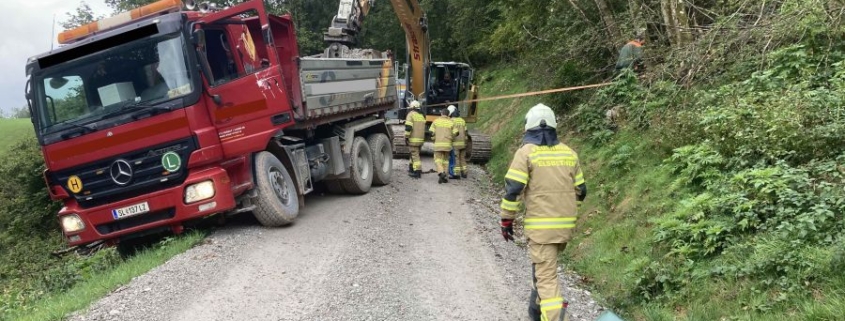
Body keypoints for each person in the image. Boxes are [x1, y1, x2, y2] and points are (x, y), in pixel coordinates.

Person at [499, 103, 587, 321]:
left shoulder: (526, 153)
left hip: (541, 229)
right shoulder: (569, 153)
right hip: (564, 229)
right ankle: (535, 312)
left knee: (547, 277)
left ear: (528, 127)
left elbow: (513, 190)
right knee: (543, 268)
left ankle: (554, 316)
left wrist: (506, 221)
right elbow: (581, 191)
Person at [429, 108, 457, 184]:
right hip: (448, 145)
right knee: (446, 161)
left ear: (441, 113)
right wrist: (451, 138)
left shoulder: (436, 121)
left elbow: (431, 132)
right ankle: (445, 177)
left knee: (437, 160)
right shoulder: (451, 122)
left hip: (438, 144)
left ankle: (441, 173)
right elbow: (456, 133)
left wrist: (434, 138)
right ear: (448, 114)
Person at [404, 100, 426, 178]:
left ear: (412, 107)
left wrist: (406, 137)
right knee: (414, 154)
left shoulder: (411, 114)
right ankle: (411, 168)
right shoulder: (421, 115)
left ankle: (417, 172)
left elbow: (408, 127)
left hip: (413, 139)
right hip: (420, 140)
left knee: (415, 155)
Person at [447, 105, 468, 179]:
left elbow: (450, 132)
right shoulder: (462, 120)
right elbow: (466, 131)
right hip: (463, 143)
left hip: (455, 143)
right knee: (462, 158)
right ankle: (464, 173)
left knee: (456, 158)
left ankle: (456, 173)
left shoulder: (451, 121)